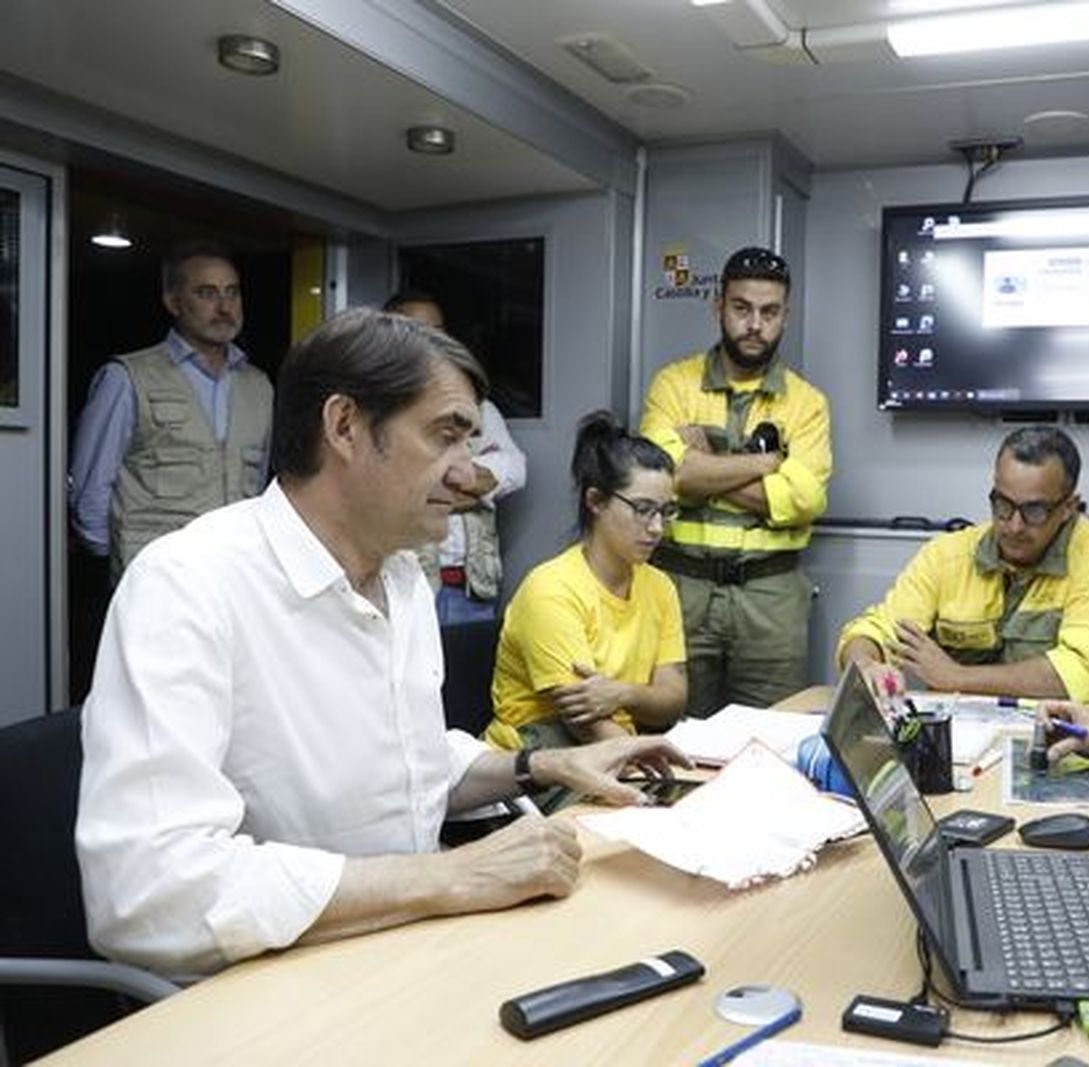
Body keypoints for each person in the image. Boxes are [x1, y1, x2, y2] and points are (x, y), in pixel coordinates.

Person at [75, 308, 688, 977]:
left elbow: (406, 766)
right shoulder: (189, 584)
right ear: (344, 425)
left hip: (403, 947)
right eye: (446, 437)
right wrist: (449, 877)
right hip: (267, 982)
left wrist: (546, 766)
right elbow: (146, 891)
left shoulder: (399, 578)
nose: (468, 474)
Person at [640, 247, 832, 717]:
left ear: (785, 317)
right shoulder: (672, 384)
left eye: (769, 312)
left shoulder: (807, 404)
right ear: (719, 307)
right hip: (680, 588)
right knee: (673, 736)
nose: (754, 324)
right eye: (741, 308)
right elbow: (665, 476)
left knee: (772, 744)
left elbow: (804, 499)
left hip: (771, 601)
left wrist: (704, 466)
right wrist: (765, 466)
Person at [838, 426, 1089, 701]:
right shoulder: (947, 554)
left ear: (1069, 508)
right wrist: (866, 663)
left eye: (1035, 511)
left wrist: (958, 677)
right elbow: (875, 630)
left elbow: (1087, 669)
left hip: (1060, 738)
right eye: (1003, 505)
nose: (1014, 526)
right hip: (963, 738)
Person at [488, 411, 687, 763]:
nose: (657, 527)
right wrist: (645, 761)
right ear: (595, 501)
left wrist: (621, 693)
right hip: (538, 756)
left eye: (666, 511)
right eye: (643, 509)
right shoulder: (551, 590)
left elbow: (672, 699)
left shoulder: (660, 586)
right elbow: (586, 722)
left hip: (619, 744)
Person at [68, 240, 273, 581]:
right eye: (207, 293)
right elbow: (90, 489)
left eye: (232, 293)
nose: (225, 307)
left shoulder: (259, 385)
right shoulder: (126, 377)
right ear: (173, 302)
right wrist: (118, 562)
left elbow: (261, 487)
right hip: (156, 575)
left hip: (237, 575)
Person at [383, 291, 526, 625]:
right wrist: (474, 494)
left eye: (439, 330)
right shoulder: (381, 410)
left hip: (469, 590)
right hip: (404, 586)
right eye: (418, 330)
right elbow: (390, 492)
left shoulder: (477, 407)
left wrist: (444, 486)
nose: (432, 341)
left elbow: (516, 468)